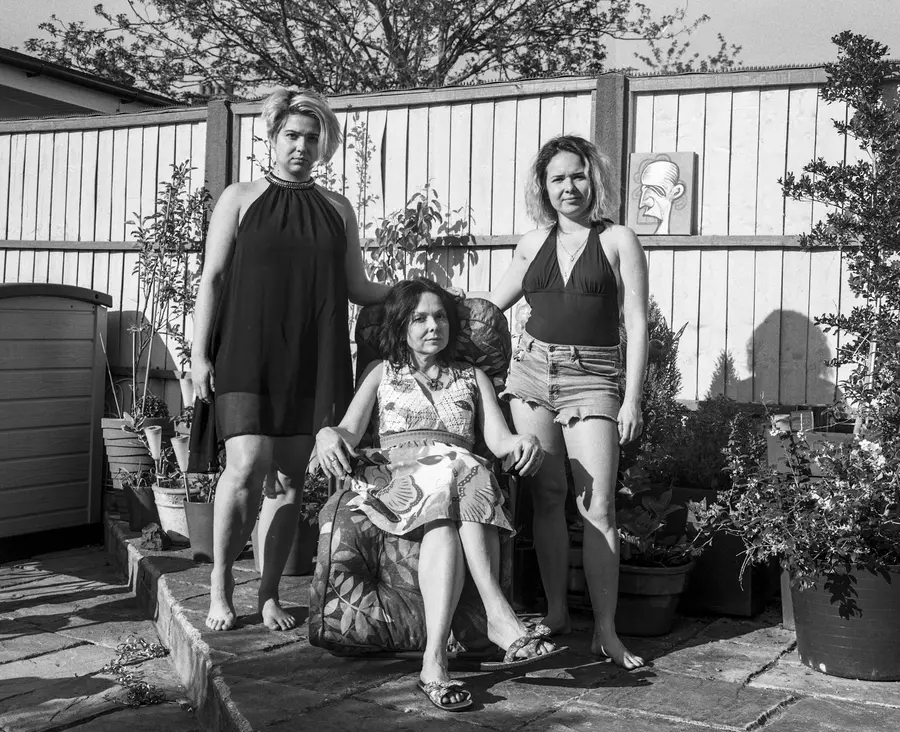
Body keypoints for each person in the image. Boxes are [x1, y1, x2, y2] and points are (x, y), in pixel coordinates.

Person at [189, 88, 390, 632]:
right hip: (245, 353)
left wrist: (410, 292)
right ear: (272, 138)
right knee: (245, 469)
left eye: (312, 138)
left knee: (288, 480)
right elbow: (211, 278)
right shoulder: (240, 198)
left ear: (324, 145)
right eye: (292, 136)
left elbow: (356, 287)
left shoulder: (337, 209)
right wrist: (198, 356)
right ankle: (221, 585)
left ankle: (269, 593)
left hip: (312, 356)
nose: (301, 146)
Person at [315, 279, 563, 712]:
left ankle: (434, 662)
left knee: (457, 493)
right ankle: (498, 617)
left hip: (455, 484)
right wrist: (325, 434)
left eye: (441, 317)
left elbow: (500, 441)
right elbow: (349, 431)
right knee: (460, 469)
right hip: (398, 477)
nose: (434, 326)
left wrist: (526, 442)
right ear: (402, 327)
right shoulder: (382, 372)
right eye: (421, 319)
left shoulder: (473, 376)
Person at [473, 135, 649, 669]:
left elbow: (637, 323)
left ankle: (605, 630)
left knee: (597, 506)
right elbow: (488, 309)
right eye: (557, 179)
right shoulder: (531, 243)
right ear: (543, 188)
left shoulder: (618, 239)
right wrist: (420, 311)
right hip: (530, 374)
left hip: (593, 376)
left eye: (577, 176)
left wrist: (631, 397)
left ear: (592, 180)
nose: (568, 187)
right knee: (546, 499)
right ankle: (555, 613)